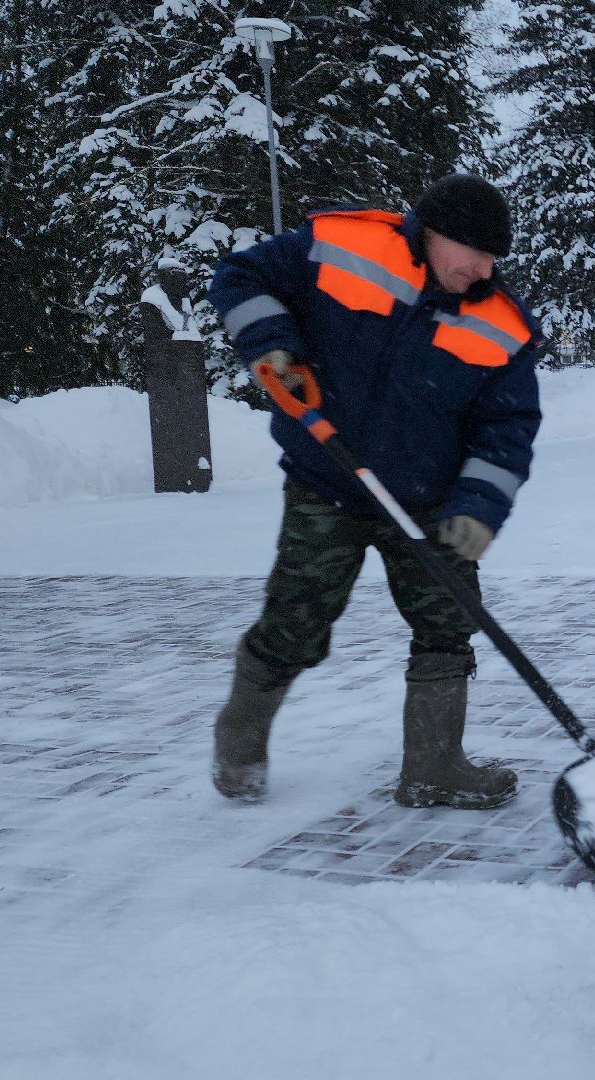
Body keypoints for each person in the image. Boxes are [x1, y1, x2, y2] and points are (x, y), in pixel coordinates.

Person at [206, 173, 543, 810]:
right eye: (475, 254)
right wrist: (271, 342)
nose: (483, 271)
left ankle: (434, 767)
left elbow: (508, 429)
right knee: (296, 622)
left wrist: (478, 506)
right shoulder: (343, 246)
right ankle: (241, 731)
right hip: (325, 481)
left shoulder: (501, 324)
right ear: (436, 233)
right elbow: (240, 277)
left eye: (494, 259)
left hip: (427, 498)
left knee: (448, 623)